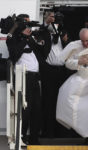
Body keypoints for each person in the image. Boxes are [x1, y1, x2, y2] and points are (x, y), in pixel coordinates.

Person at [6, 14, 41, 145]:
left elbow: (41, 50)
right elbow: (14, 54)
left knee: (36, 108)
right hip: (23, 77)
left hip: (35, 77)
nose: (28, 26)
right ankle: (21, 137)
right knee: (25, 109)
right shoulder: (13, 39)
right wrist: (23, 36)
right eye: (25, 24)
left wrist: (31, 37)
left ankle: (34, 138)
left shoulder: (30, 39)